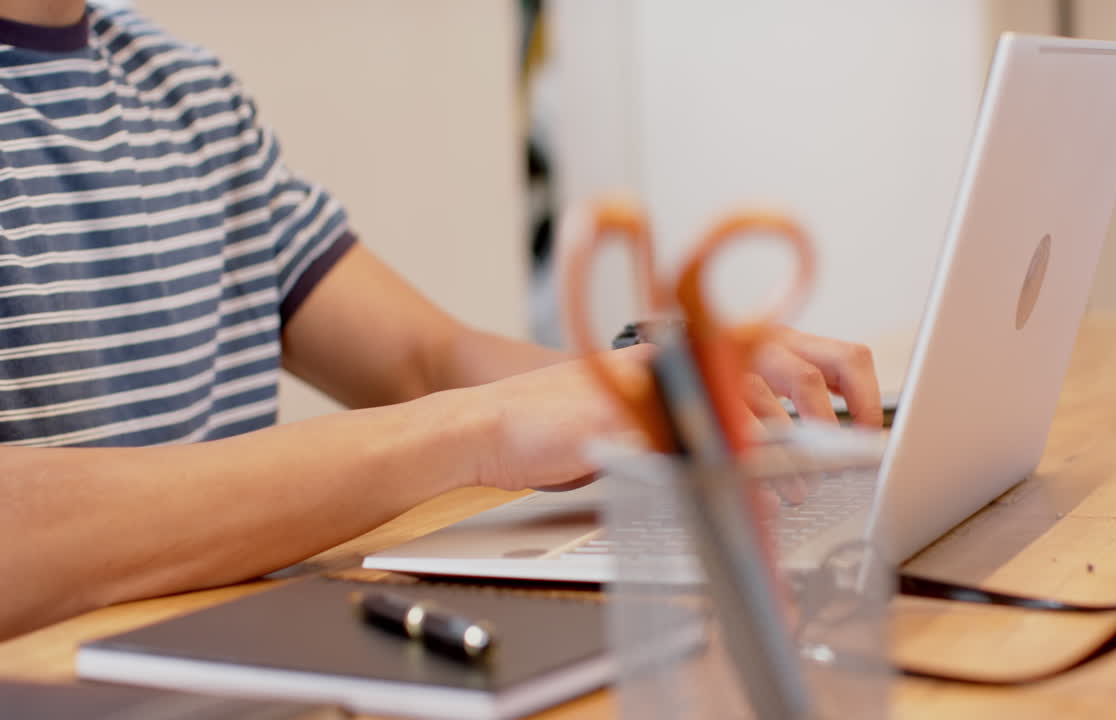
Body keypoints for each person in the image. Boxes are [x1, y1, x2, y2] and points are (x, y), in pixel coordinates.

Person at [0, 0, 881, 641]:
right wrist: (482, 430)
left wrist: (647, 380)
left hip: (233, 664)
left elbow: (424, 358)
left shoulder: (178, 84)